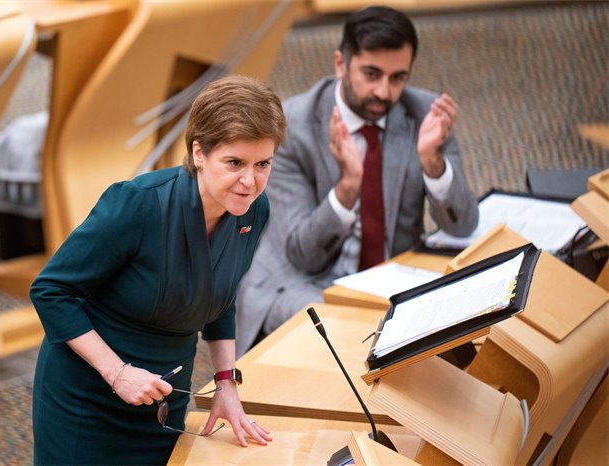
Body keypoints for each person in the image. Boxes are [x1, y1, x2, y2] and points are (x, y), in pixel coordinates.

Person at [30, 75, 286, 465]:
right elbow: (51, 291)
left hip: (163, 399)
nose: (250, 182)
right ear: (199, 152)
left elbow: (222, 297)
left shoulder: (254, 211)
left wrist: (225, 384)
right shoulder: (138, 204)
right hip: (87, 397)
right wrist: (117, 373)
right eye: (234, 163)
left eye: (263, 164)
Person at [235, 6, 479, 357]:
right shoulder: (292, 125)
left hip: (388, 276)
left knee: (465, 329)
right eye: (371, 74)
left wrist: (432, 160)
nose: (384, 92)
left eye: (398, 78)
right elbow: (303, 255)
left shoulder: (425, 115)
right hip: (299, 279)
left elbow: (463, 224)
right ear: (340, 64)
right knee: (355, 334)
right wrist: (348, 186)